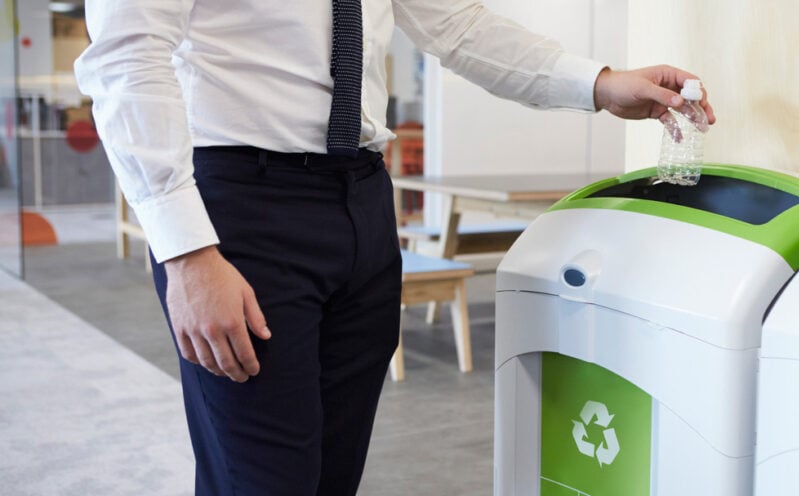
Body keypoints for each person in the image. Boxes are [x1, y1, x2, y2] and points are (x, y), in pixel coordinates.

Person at [75, 0, 715, 494]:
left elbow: (457, 26)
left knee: (332, 471)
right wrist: (187, 255)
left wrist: (601, 84)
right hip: (243, 210)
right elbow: (127, 57)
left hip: (361, 199)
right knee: (266, 478)